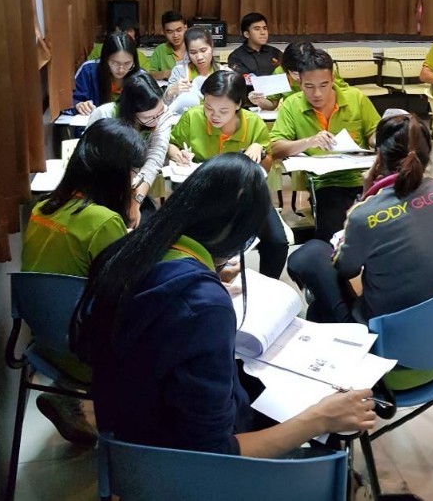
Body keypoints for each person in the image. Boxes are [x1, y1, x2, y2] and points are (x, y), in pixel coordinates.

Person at [70, 155, 377, 456]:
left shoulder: (128, 251)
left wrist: (208, 275)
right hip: (178, 464)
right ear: (240, 237)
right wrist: (319, 419)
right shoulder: (205, 305)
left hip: (126, 437)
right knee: (330, 423)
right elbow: (216, 452)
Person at [286, 115, 433, 382]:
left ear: (379, 158)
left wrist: (364, 200)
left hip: (390, 358)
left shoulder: (365, 214)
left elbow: (346, 268)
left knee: (309, 260)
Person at [22, 120, 146, 446]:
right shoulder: (104, 221)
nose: (133, 181)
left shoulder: (42, 208)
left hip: (44, 343)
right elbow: (126, 292)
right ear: (114, 174)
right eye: (131, 173)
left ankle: (69, 398)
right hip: (84, 355)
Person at [168, 70, 288, 278]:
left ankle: (268, 282)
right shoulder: (192, 117)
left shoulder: (253, 124)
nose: (214, 115)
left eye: (223, 110)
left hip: (244, 195)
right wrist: (176, 153)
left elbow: (266, 168)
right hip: (202, 195)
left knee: (277, 241)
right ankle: (206, 280)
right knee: (200, 239)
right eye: (208, 107)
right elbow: (172, 144)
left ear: (238, 104)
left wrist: (259, 150)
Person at [270, 48, 381, 242]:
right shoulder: (292, 105)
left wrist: (378, 140)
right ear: (299, 82)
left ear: (333, 79)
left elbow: (374, 132)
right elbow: (275, 147)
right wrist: (309, 141)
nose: (317, 93)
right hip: (326, 182)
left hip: (366, 176)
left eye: (324, 85)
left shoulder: (355, 97)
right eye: (309, 86)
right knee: (335, 230)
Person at [85, 72, 175, 211]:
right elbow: (88, 158)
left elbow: (155, 157)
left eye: (160, 112)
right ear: (131, 112)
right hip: (101, 185)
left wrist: (136, 201)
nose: (157, 120)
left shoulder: (162, 114)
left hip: (137, 184)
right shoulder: (104, 115)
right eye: (148, 118)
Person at [71, 32, 141, 115]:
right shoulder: (88, 71)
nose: (121, 69)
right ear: (105, 59)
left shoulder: (140, 77)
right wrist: (78, 105)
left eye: (127, 63)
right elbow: (70, 101)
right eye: (115, 63)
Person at [164, 26, 227, 114]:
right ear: (187, 52)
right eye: (193, 52)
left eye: (203, 50)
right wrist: (169, 92)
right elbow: (167, 106)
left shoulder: (225, 74)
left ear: (212, 47)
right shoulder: (179, 72)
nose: (199, 57)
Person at [227, 12, 283, 78]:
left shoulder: (275, 52)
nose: (263, 32)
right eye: (257, 29)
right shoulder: (236, 57)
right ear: (247, 34)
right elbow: (241, 80)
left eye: (265, 28)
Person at [146, 10, 188, 81]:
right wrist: (164, 74)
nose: (175, 35)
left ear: (185, 28)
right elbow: (148, 75)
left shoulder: (194, 47)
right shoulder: (160, 50)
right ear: (164, 32)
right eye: (170, 32)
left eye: (179, 30)